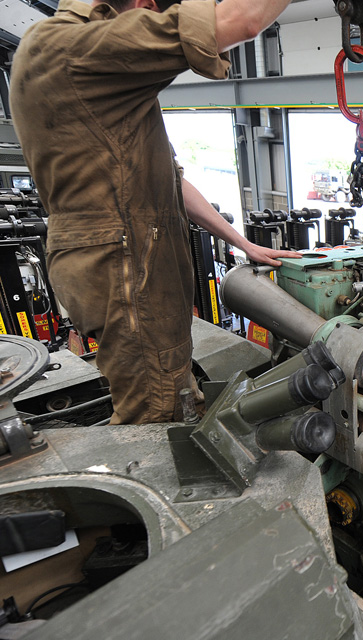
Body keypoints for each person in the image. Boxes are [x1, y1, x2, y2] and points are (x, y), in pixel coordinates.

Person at [10, 0, 300, 424]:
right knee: (155, 415)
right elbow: (241, 20)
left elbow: (172, 181)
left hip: (139, 271)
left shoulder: (107, 83)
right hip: (127, 273)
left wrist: (241, 242)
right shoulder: (66, 47)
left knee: (174, 397)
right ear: (143, 5)